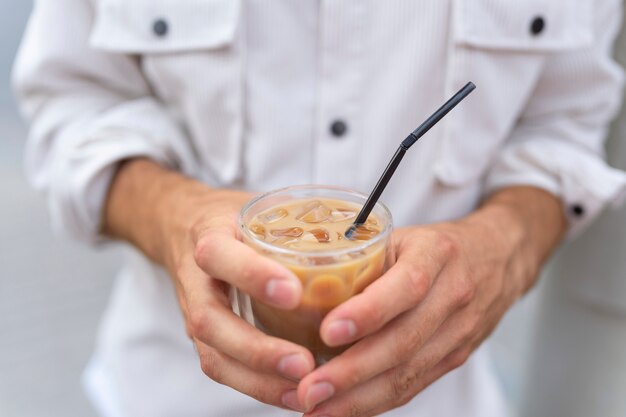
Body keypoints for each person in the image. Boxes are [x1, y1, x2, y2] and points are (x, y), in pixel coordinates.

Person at [13, 1, 626, 416]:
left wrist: (503, 247)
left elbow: (562, 130)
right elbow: (75, 105)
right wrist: (175, 215)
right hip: (171, 393)